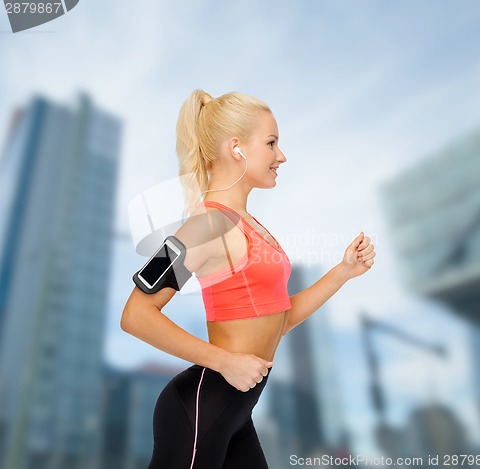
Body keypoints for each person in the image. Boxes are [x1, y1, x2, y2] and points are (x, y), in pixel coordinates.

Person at [121, 90, 376, 469]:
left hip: (237, 411)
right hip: (198, 409)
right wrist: (225, 362)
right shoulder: (206, 226)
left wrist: (342, 273)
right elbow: (136, 315)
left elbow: (279, 320)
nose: (281, 156)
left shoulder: (252, 228)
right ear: (236, 148)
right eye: (272, 143)